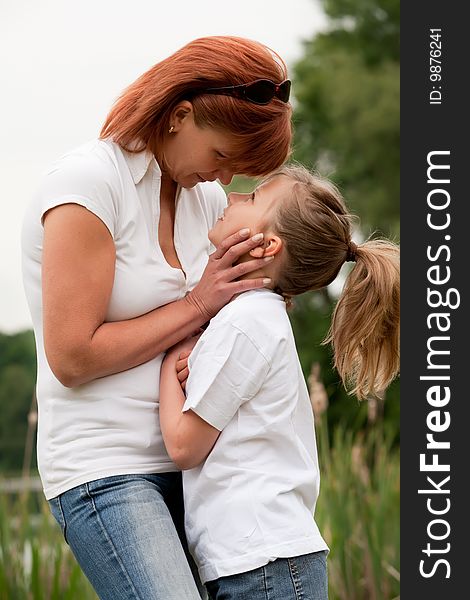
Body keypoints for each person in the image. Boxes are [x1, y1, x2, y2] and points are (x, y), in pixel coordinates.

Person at [21, 36, 293, 599]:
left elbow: (240, 308)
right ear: (180, 115)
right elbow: (72, 357)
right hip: (107, 467)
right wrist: (196, 308)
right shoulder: (88, 186)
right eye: (221, 156)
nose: (224, 179)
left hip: (198, 469)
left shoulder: (207, 203)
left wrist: (228, 319)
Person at [159, 164, 400, 600]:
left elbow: (183, 446)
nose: (230, 198)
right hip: (262, 563)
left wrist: (166, 359)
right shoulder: (251, 317)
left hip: (264, 566)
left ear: (267, 245)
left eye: (251, 200)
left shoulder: (248, 322)